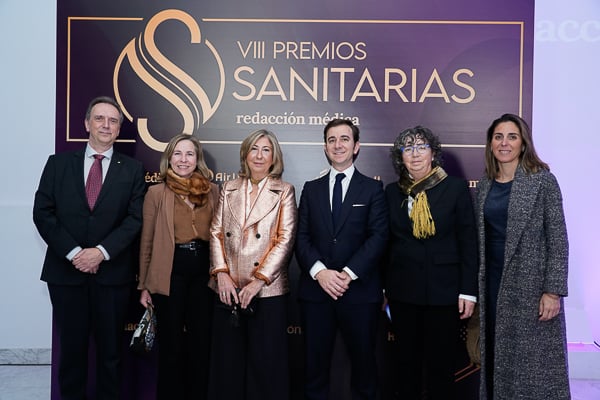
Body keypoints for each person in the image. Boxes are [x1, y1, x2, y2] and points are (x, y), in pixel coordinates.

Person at [33, 96, 146, 399]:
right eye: (100, 118)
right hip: (65, 275)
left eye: (112, 121)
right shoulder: (58, 164)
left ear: (119, 128)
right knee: (72, 354)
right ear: (86, 124)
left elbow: (135, 219)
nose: (106, 125)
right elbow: (43, 213)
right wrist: (74, 254)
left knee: (111, 356)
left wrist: (100, 252)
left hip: (112, 277)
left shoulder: (134, 170)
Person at [475, 113, 570, 400]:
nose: (504, 143)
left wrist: (552, 291)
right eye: (498, 136)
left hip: (531, 289)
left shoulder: (542, 181)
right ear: (491, 143)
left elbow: (558, 239)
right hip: (493, 283)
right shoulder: (485, 185)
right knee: (497, 356)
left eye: (512, 137)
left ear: (523, 143)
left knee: (534, 367)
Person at [295, 118, 389, 400]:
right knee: (314, 370)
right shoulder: (311, 188)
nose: (338, 145)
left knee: (364, 370)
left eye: (344, 139)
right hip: (316, 292)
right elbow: (301, 237)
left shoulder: (373, 189)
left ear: (356, 146)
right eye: (332, 140)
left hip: (359, 293)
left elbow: (378, 237)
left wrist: (347, 273)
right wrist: (321, 273)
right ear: (325, 147)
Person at [383, 126, 478, 400]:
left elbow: (468, 242)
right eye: (408, 148)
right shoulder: (392, 192)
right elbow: (386, 244)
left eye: (421, 147)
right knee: (406, 366)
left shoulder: (456, 188)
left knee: (441, 368)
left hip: (445, 293)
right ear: (400, 157)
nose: (415, 154)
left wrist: (468, 291)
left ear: (433, 154)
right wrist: (384, 290)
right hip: (403, 294)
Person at [207, 129, 297, 400]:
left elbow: (286, 239)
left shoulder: (284, 190)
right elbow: (216, 232)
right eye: (254, 149)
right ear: (245, 154)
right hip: (228, 289)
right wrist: (221, 274)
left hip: (267, 291)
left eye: (266, 150)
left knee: (265, 366)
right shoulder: (229, 188)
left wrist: (259, 280)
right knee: (228, 365)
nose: (259, 155)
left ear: (274, 158)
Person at [137, 134, 219, 399]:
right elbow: (147, 240)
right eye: (178, 154)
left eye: (190, 154)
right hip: (169, 273)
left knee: (201, 345)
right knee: (171, 346)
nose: (184, 160)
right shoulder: (156, 192)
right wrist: (144, 285)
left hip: (204, 276)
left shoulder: (212, 190)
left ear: (198, 159)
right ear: (169, 158)